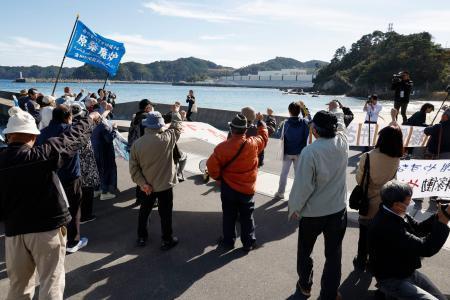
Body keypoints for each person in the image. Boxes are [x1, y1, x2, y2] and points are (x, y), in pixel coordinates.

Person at [0, 107, 99, 300]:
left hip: (13, 233)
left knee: (19, 287)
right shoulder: (42, 156)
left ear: (8, 136)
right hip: (47, 230)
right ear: (34, 137)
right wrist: (91, 119)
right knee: (51, 283)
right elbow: (72, 138)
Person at [288, 110, 348, 300]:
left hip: (313, 213)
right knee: (334, 254)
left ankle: (305, 285)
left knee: (305, 251)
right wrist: (337, 108)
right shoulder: (342, 142)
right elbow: (341, 123)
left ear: (315, 130)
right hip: (337, 209)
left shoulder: (310, 152)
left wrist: (294, 208)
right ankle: (329, 292)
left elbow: (303, 187)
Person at [368, 180, 450, 300]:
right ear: (396, 204)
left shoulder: (394, 212)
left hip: (407, 271)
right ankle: (387, 292)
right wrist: (445, 219)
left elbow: (419, 228)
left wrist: (440, 214)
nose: (410, 203)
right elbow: (426, 248)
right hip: (392, 279)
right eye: (408, 201)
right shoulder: (386, 226)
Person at [206, 113, 268, 252]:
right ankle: (249, 243)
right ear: (245, 130)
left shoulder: (222, 147)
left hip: (228, 188)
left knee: (229, 215)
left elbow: (211, 167)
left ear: (232, 129)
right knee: (247, 216)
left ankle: (228, 242)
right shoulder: (253, 144)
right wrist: (261, 123)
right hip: (247, 188)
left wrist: (218, 178)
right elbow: (263, 138)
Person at [129, 107, 185, 249]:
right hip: (165, 185)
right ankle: (167, 240)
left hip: (147, 186)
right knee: (165, 214)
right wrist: (177, 112)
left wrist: (143, 184)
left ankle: (142, 237)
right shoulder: (167, 138)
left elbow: (134, 169)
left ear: (146, 125)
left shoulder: (137, 144)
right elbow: (177, 126)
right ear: (160, 125)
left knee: (144, 211)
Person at [37, 105, 89, 253]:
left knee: (55, 209)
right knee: (73, 208)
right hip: (71, 177)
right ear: (68, 117)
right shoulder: (70, 131)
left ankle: (56, 239)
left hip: (51, 177)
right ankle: (73, 241)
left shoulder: (42, 133)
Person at [353, 125, 403, 271]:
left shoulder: (368, 156)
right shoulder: (396, 159)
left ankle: (361, 261)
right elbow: (394, 180)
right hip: (386, 204)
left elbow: (359, 179)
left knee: (364, 236)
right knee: (380, 238)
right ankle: (373, 263)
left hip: (367, 203)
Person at [71, 104, 100, 224]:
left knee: (77, 192)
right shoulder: (85, 127)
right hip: (87, 165)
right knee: (87, 191)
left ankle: (77, 215)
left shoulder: (68, 127)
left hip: (74, 166)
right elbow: (97, 120)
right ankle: (85, 216)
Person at [274, 102, 309, 200]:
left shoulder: (285, 123)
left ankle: (280, 193)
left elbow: (278, 134)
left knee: (284, 174)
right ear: (299, 111)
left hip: (287, 152)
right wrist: (304, 108)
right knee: (298, 176)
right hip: (300, 153)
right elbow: (309, 121)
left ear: (289, 111)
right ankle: (296, 195)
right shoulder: (304, 123)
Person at [91, 106, 118, 200]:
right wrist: (114, 129)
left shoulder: (91, 126)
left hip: (95, 151)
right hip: (104, 152)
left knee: (97, 170)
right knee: (105, 170)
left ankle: (96, 190)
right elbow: (109, 139)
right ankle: (104, 192)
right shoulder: (103, 126)